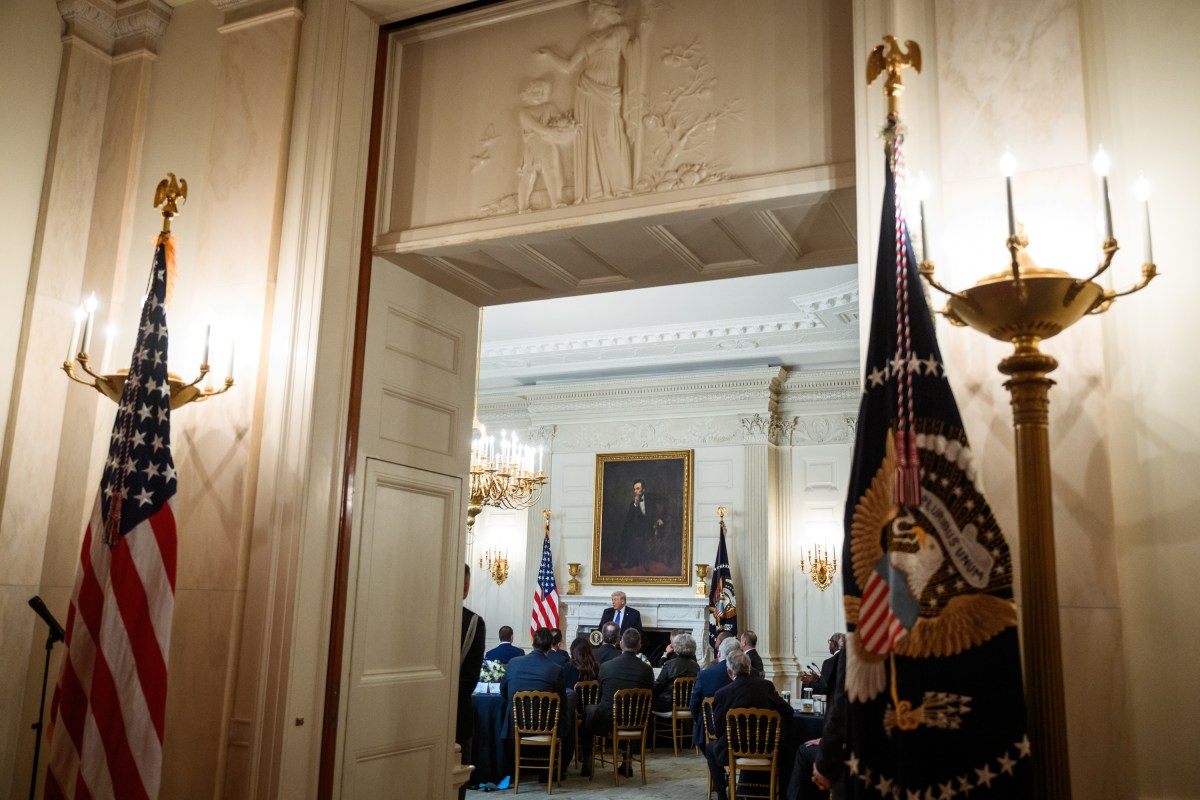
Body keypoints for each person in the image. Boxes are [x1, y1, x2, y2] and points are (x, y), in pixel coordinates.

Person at [536, 0, 643, 203]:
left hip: (607, 92)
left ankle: (622, 186)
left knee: (608, 135)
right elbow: (569, 66)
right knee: (590, 137)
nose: (591, 13)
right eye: (590, 10)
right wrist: (549, 54)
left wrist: (641, 38)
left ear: (604, 10)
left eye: (594, 9)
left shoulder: (620, 31)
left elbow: (631, 56)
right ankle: (595, 190)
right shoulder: (588, 39)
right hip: (586, 91)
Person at [705, 650, 793, 800]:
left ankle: (722, 795)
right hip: (767, 747)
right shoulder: (766, 686)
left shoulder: (722, 694)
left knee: (710, 748)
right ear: (749, 667)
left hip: (735, 749)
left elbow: (719, 731)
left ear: (729, 672)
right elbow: (788, 711)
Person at [500, 627, 571, 781]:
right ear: (551, 644)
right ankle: (555, 770)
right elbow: (562, 702)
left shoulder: (514, 663)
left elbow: (503, 692)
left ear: (533, 643)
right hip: (546, 727)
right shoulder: (555, 669)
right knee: (567, 718)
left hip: (516, 725)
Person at [582, 628, 654, 777]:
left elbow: (600, 695)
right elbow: (650, 694)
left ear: (621, 644)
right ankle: (626, 762)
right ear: (639, 646)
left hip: (607, 720)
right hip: (636, 721)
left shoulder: (606, 667)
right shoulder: (647, 670)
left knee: (588, 710)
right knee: (631, 711)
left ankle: (587, 759)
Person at [787, 639, 847, 800]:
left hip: (844, 754)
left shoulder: (835, 666)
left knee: (803, 749)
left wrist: (824, 740)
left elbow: (841, 723)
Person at [516, 78, 578, 213]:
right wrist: (550, 130)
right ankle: (523, 207)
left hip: (548, 144)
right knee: (529, 174)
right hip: (533, 145)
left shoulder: (550, 108)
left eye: (542, 91)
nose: (539, 93)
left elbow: (561, 120)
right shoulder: (524, 113)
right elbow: (536, 126)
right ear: (529, 92)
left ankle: (557, 201)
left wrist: (566, 124)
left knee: (553, 171)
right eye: (536, 91)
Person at [457, 564, 486, 800]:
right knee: (456, 782)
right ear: (466, 586)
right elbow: (470, 680)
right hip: (458, 714)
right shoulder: (474, 622)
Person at [689, 636, 742, 747]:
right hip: (744, 729)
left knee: (702, 717)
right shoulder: (753, 674)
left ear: (719, 654)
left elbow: (694, 704)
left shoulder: (705, 675)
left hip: (713, 729)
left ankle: (716, 760)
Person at [617, 479, 668, 568]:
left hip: (653, 525)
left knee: (629, 530)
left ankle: (629, 559)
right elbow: (629, 518)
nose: (635, 491)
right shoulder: (633, 503)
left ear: (643, 489)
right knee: (628, 528)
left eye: (637, 488)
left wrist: (661, 518)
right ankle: (629, 559)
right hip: (641, 527)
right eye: (634, 489)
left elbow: (666, 502)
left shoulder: (651, 497)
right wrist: (636, 505)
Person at [652, 632, 700, 712]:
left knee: (646, 702)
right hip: (689, 704)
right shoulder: (696, 666)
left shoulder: (669, 664)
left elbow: (658, 686)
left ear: (677, 647)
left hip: (668, 705)